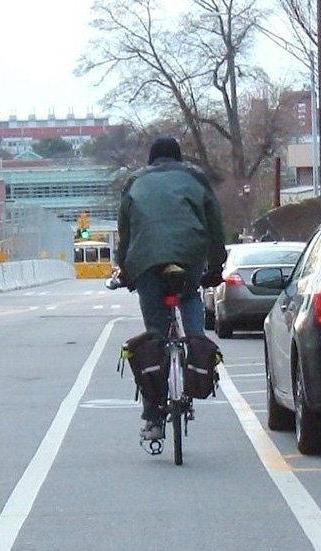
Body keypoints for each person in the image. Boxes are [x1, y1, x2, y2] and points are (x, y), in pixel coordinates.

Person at [116, 136, 227, 440]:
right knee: (190, 301)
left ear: (151, 161)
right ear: (179, 159)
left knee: (155, 334)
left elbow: (125, 232)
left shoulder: (135, 182)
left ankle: (153, 416)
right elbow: (216, 226)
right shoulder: (195, 179)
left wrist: (124, 270)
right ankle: (195, 349)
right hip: (190, 258)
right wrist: (216, 268)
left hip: (147, 261)